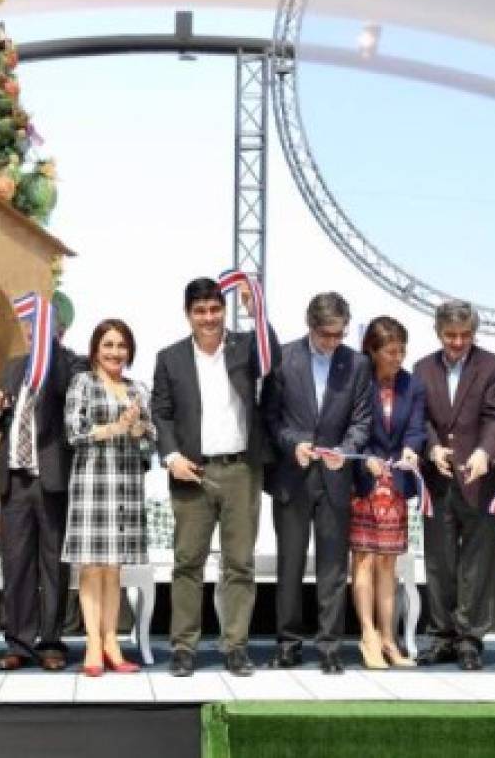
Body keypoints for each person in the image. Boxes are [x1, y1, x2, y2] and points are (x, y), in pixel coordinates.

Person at [151, 277, 281, 678]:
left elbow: (271, 358)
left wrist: (258, 311)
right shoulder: (170, 357)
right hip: (193, 472)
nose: (208, 318)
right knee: (187, 562)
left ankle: (235, 646)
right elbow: (162, 411)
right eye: (200, 311)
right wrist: (171, 456)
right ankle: (184, 647)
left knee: (239, 563)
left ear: (225, 310)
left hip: (241, 469)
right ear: (188, 314)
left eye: (215, 309)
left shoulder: (245, 347)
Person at [262, 292, 371, 674]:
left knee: (332, 567)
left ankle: (329, 646)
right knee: (289, 564)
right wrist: (293, 444)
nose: (332, 341)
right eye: (326, 334)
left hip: (336, 478)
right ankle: (288, 644)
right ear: (310, 326)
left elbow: (362, 419)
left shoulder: (357, 364)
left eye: (339, 334)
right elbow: (270, 418)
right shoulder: (284, 358)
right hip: (293, 476)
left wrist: (347, 447)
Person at [413, 300, 495, 671]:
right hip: (438, 480)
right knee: (438, 561)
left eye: (465, 335)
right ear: (438, 333)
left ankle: (470, 639)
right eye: (451, 335)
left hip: (480, 478)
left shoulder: (494, 367)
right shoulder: (421, 368)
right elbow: (419, 418)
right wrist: (432, 446)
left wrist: (486, 452)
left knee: (478, 562)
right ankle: (441, 636)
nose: (457, 342)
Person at [0, 304, 85, 672]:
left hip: (51, 480)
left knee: (52, 564)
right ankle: (18, 642)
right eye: (31, 331)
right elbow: (1, 421)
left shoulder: (70, 364)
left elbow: (63, 390)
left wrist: (52, 353)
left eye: (43, 330)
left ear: (57, 332)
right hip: (14, 478)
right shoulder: (14, 366)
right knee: (15, 565)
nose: (34, 337)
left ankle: (50, 642)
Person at [62, 319, 156, 676]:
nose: (115, 352)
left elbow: (151, 443)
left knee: (114, 567)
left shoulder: (137, 389)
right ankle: (91, 643)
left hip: (127, 484)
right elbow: (74, 432)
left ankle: (112, 641)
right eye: (109, 345)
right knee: (92, 565)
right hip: (92, 482)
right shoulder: (82, 383)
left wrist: (136, 429)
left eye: (121, 346)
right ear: (96, 350)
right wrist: (113, 428)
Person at [350, 316, 424, 670]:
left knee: (388, 564)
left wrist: (411, 450)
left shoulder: (412, 384)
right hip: (362, 484)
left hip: (395, 486)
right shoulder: (357, 381)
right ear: (373, 351)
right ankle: (368, 635)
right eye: (391, 352)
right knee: (363, 559)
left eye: (402, 351)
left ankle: (389, 639)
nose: (398, 358)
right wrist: (365, 460)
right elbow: (350, 427)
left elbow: (415, 428)